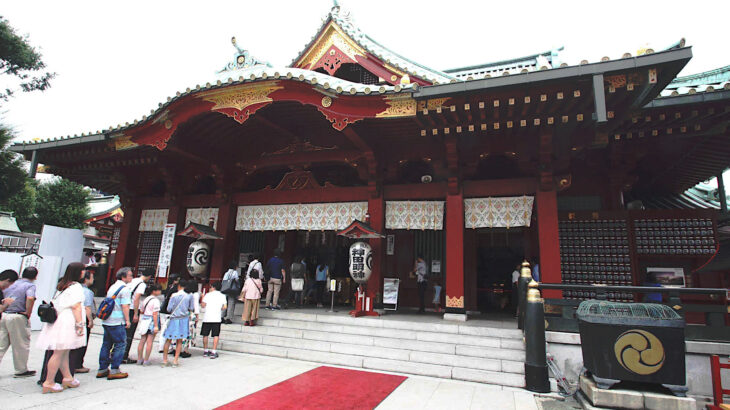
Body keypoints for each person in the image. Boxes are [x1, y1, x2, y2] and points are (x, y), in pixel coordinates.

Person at [36, 262, 87, 393]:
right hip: (68, 320)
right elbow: (76, 306)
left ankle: (67, 378)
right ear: (78, 272)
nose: (84, 272)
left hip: (60, 318)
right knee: (59, 353)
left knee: (64, 351)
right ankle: (49, 382)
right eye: (83, 270)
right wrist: (80, 324)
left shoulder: (63, 286)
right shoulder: (76, 287)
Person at [0, 266, 38, 378]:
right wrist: (28, 312)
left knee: (1, 345)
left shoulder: (12, 284)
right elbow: (30, 298)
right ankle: (21, 370)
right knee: (21, 345)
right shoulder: (30, 286)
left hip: (4, 315)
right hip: (18, 316)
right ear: (35, 276)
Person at [97, 267, 132, 380]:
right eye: (130, 275)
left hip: (107, 320)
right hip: (117, 320)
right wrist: (127, 320)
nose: (131, 277)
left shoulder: (113, 287)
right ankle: (115, 369)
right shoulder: (125, 289)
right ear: (123, 276)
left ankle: (102, 368)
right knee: (120, 344)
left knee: (106, 344)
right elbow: (125, 306)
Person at [161, 280, 195, 367]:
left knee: (168, 339)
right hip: (183, 319)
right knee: (179, 341)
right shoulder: (189, 296)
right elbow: (191, 308)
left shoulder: (173, 295)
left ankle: (165, 360)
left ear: (179, 286)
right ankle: (175, 361)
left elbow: (169, 309)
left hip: (174, 318)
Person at [123, 267, 151, 363]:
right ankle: (124, 355)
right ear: (149, 276)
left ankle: (116, 353)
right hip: (131, 309)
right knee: (129, 333)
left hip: (125, 307)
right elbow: (137, 298)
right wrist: (136, 313)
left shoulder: (133, 280)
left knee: (123, 331)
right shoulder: (142, 284)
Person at [74, 268, 96, 373]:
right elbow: (87, 307)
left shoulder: (73, 288)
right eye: (92, 278)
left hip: (74, 317)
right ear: (86, 279)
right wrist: (90, 320)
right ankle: (77, 364)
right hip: (83, 318)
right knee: (82, 342)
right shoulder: (87, 292)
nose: (93, 279)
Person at [136, 284, 162, 366]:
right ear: (154, 291)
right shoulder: (156, 301)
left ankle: (139, 359)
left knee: (142, 340)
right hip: (151, 320)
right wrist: (156, 325)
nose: (160, 291)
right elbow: (155, 313)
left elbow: (142, 311)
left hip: (145, 319)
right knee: (150, 341)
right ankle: (146, 360)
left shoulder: (146, 299)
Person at [201, 282, 226, 359]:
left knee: (205, 334)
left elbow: (203, 305)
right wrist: (219, 308)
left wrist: (202, 297)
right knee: (216, 334)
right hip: (216, 318)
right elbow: (224, 307)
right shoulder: (222, 296)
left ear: (213, 287)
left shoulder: (207, 295)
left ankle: (205, 350)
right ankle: (213, 351)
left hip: (207, 317)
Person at [158, 274, 181, 353]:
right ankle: (167, 347)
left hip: (163, 310)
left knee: (164, 328)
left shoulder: (168, 287)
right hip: (168, 311)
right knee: (168, 329)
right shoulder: (175, 289)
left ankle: (161, 346)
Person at [180, 280, 200, 358]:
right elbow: (196, 306)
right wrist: (197, 316)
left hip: (182, 314)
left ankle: (177, 348)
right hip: (191, 314)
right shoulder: (195, 294)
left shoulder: (184, 293)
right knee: (189, 332)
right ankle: (185, 350)